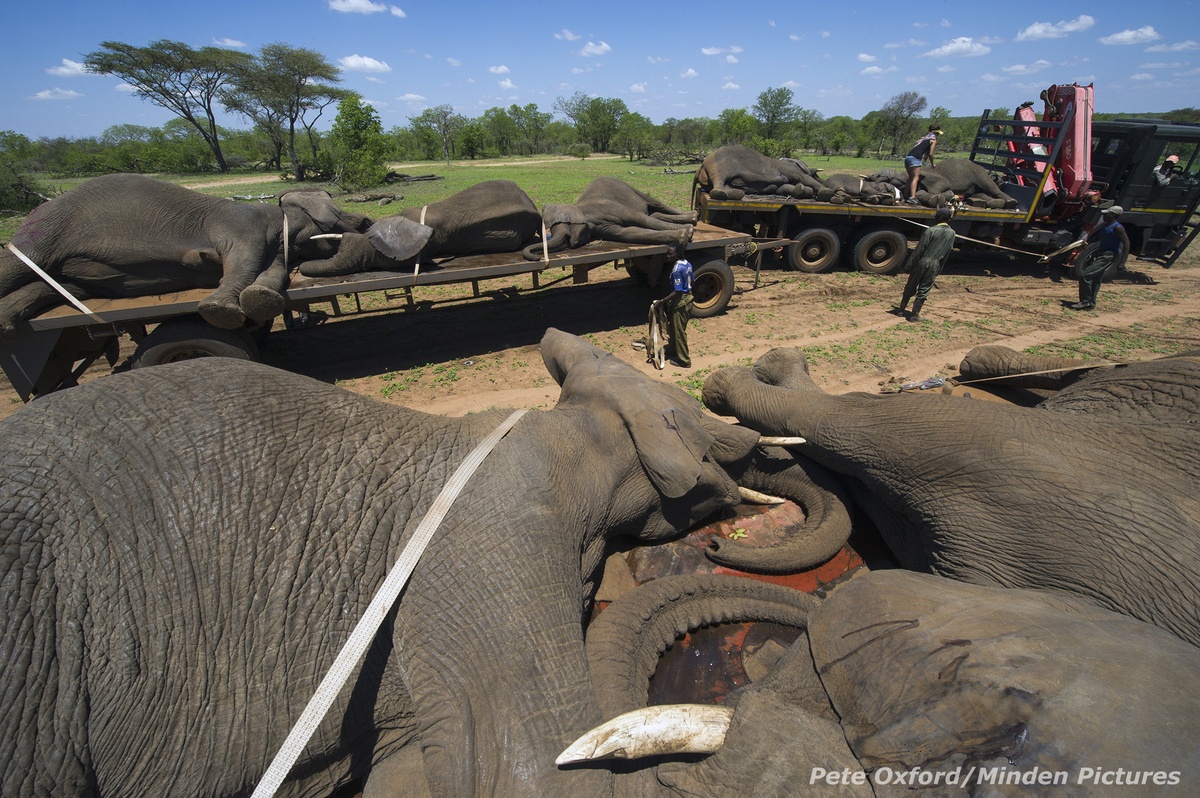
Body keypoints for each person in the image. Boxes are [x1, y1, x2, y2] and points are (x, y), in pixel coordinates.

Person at [894, 207, 956, 322]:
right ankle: (914, 315)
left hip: (923, 261)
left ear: (939, 218)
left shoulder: (930, 230)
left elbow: (919, 250)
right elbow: (947, 253)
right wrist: (939, 268)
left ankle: (901, 310)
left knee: (911, 285)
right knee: (924, 288)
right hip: (935, 263)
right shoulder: (952, 234)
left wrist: (908, 266)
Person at [1070, 205, 1129, 311]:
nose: (1103, 215)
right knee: (1096, 279)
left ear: (1113, 215)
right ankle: (1091, 304)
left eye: (1106, 214)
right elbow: (1100, 237)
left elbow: (1126, 243)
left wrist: (1122, 262)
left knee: (1085, 276)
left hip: (1108, 255)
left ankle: (1085, 301)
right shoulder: (1105, 225)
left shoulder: (1118, 228)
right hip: (1100, 253)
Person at [659, 246, 694, 368]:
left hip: (681, 302)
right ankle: (673, 350)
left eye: (670, 254)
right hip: (688, 298)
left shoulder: (676, 270)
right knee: (673, 328)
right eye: (667, 254)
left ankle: (684, 360)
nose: (668, 256)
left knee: (679, 332)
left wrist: (662, 301)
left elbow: (677, 291)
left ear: (677, 254)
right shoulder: (687, 264)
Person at [904, 124, 943, 204]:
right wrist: (932, 164)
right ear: (936, 133)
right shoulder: (933, 140)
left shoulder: (925, 138)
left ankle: (905, 194)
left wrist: (925, 159)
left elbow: (924, 150)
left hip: (908, 157)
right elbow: (931, 154)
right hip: (915, 158)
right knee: (915, 177)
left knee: (911, 177)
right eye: (938, 133)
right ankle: (912, 197)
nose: (938, 135)